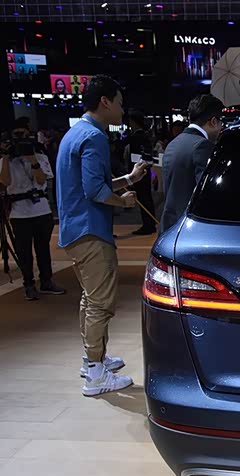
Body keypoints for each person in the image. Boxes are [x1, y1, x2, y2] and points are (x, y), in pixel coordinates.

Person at [56, 74, 149, 396]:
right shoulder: (94, 136)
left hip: (75, 230)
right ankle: (95, 374)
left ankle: (93, 360)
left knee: (90, 300)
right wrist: (123, 201)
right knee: (100, 304)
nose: (123, 110)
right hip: (91, 231)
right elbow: (95, 190)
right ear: (105, 102)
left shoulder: (75, 133)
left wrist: (128, 179)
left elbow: (91, 184)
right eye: (120, 103)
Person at [0, 120, 65, 300]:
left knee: (43, 249)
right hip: (19, 213)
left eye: (24, 134)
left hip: (41, 210)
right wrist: (6, 157)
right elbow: (5, 182)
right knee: (24, 252)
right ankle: (28, 284)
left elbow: (42, 180)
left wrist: (33, 160)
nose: (21, 139)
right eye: (16, 135)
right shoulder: (5, 161)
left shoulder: (41, 157)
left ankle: (46, 281)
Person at [160, 94, 224, 232]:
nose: (221, 128)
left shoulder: (173, 143)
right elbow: (206, 195)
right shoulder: (202, 145)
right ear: (213, 121)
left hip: (170, 225)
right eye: (221, 123)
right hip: (190, 228)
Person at [124, 110, 157, 235]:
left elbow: (135, 157)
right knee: (146, 198)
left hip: (138, 171)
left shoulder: (136, 137)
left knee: (144, 198)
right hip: (145, 170)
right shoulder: (145, 136)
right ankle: (150, 224)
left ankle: (148, 225)